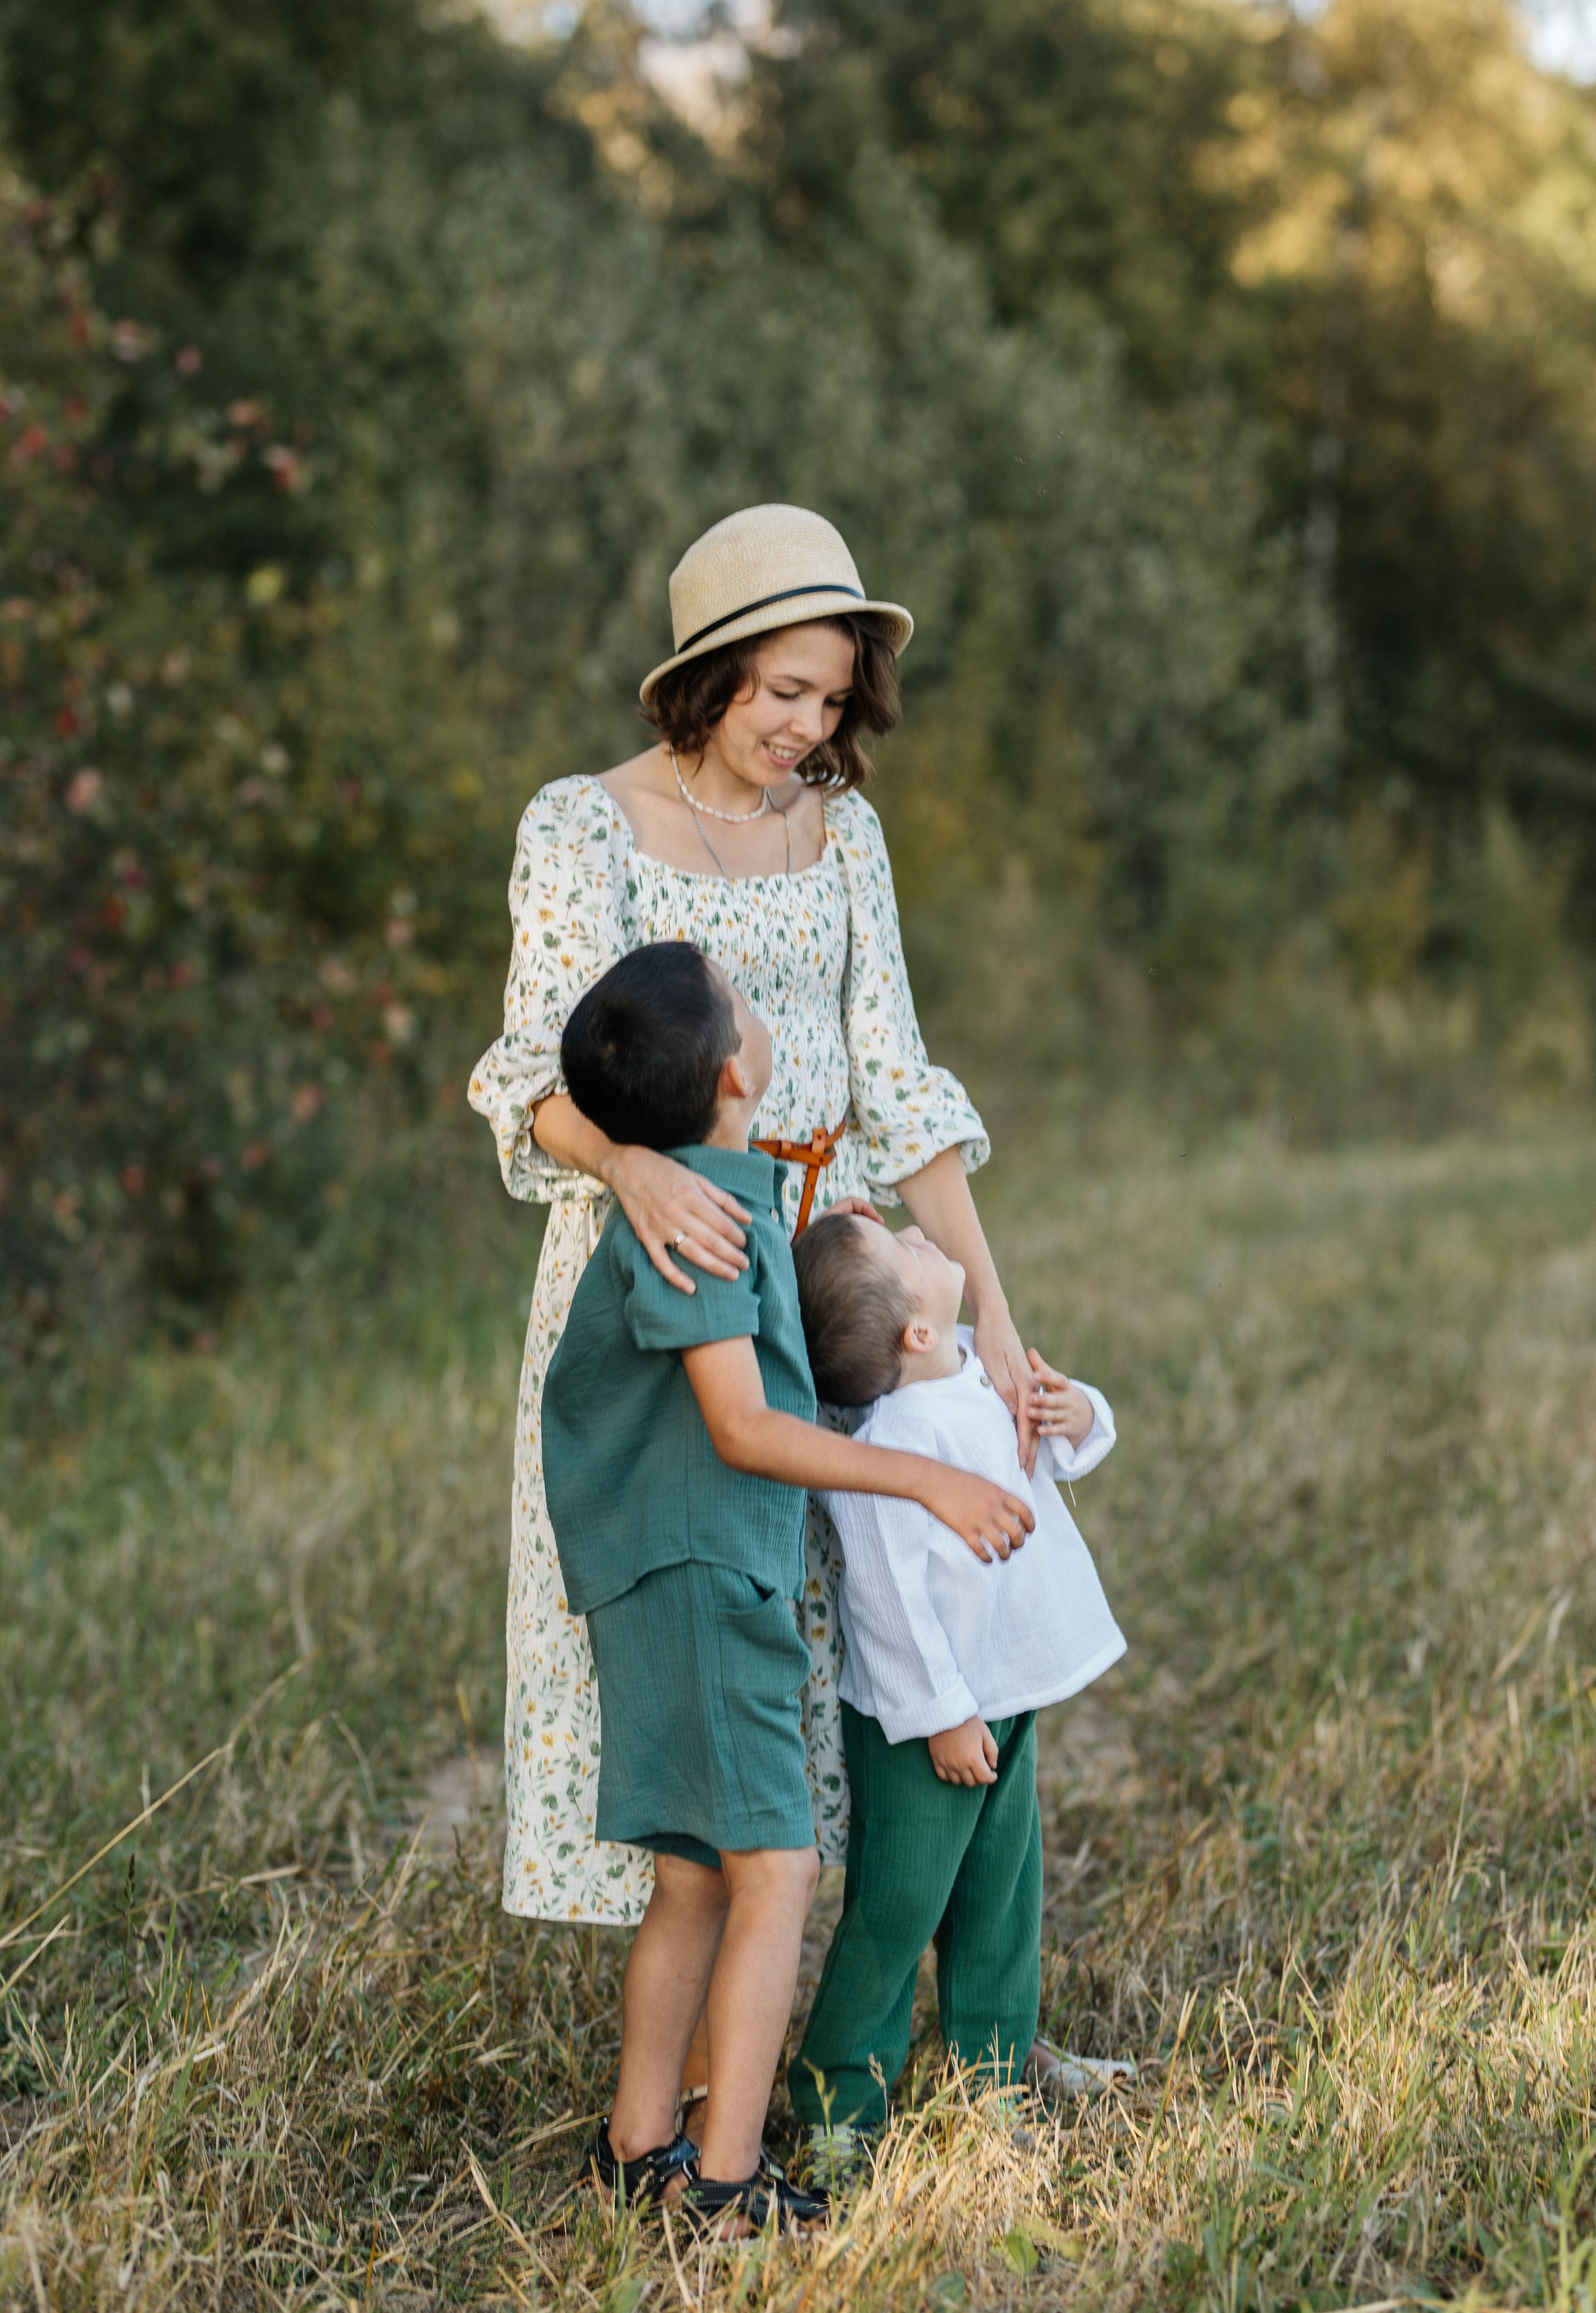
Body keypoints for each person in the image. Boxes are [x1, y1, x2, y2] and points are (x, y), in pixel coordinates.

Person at [468, 503, 1051, 1989]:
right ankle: (702, 2005)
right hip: (669, 1261)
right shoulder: (582, 823)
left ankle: (910, 1997)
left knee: (890, 1609)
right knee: (700, 1620)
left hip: (837, 1274)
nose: (809, 728)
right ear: (706, 674)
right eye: (784, 691)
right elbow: (530, 1068)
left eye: (834, 701)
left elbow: (896, 1078)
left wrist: (990, 1318)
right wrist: (633, 1171)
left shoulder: (841, 830)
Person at [541, 943, 1037, 2233]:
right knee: (778, 1870)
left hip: (691, 1573)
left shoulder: (716, 1201)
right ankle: (724, 2178)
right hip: (699, 1577)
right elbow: (743, 1427)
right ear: (734, 1072)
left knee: (701, 1874)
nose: (763, 1013)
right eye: (745, 1002)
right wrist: (924, 1482)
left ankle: (637, 2144)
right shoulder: (703, 1224)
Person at [786, 1210, 1131, 2178]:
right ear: (915, 1331)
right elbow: (886, 1604)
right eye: (908, 1249)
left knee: (1002, 1892)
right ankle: (838, 2102)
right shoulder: (891, 1447)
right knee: (899, 1908)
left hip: (1006, 1690)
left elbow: (1064, 1446)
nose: (917, 1230)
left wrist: (1080, 1414)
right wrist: (942, 1716)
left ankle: (994, 2080)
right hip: (924, 1725)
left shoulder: (982, 1367)